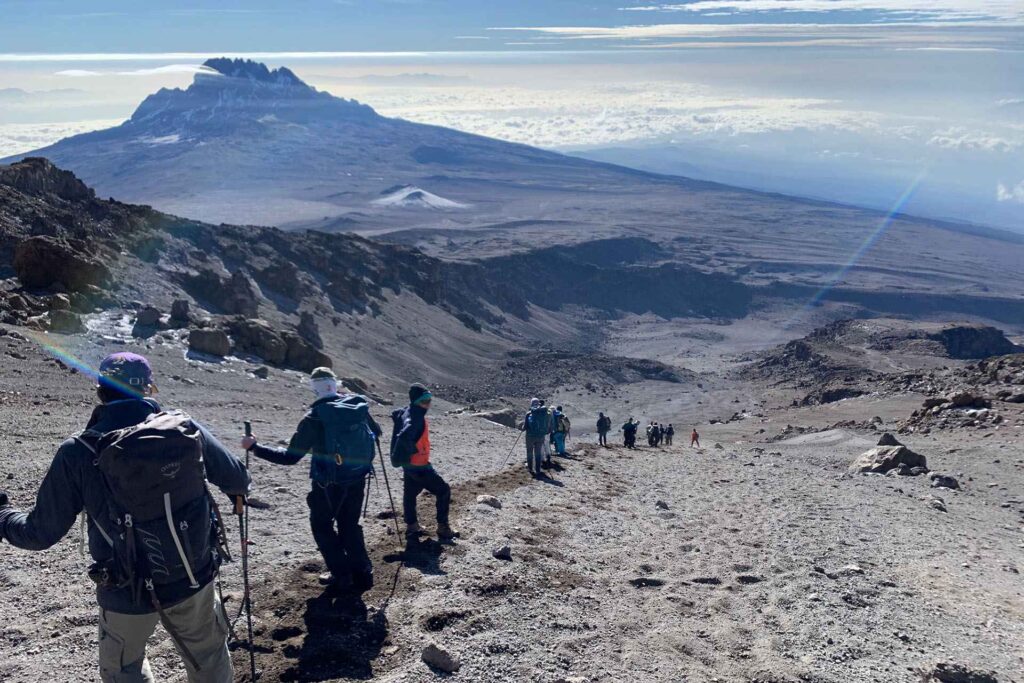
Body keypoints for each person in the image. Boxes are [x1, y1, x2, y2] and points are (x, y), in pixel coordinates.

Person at [0, 352, 249, 683]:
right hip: (193, 575)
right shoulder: (186, 428)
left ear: (101, 389)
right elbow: (238, 480)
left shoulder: (78, 451)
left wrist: (3, 515)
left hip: (125, 591)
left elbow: (39, 533)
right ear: (148, 388)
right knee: (208, 656)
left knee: (124, 670)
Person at [242, 367, 381, 592]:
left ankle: (343, 575)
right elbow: (377, 433)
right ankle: (363, 572)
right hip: (357, 478)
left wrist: (255, 448)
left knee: (322, 527)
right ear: (334, 384)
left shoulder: (314, 417)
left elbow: (290, 458)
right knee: (350, 526)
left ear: (314, 388)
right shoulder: (356, 406)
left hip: (327, 485)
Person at [391, 383, 455, 540]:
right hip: (419, 466)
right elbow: (405, 435)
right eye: (424, 400)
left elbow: (397, 416)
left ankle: (412, 526)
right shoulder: (416, 417)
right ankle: (443, 528)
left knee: (410, 494)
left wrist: (402, 456)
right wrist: (410, 450)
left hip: (409, 465)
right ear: (415, 401)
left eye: (429, 399)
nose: (428, 403)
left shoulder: (408, 411)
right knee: (443, 490)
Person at [522, 398, 553, 477]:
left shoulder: (529, 413)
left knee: (529, 452)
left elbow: (524, 427)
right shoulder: (545, 413)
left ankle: (530, 468)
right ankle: (538, 470)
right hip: (540, 436)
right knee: (538, 453)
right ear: (538, 403)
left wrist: (523, 428)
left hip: (530, 436)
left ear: (532, 404)